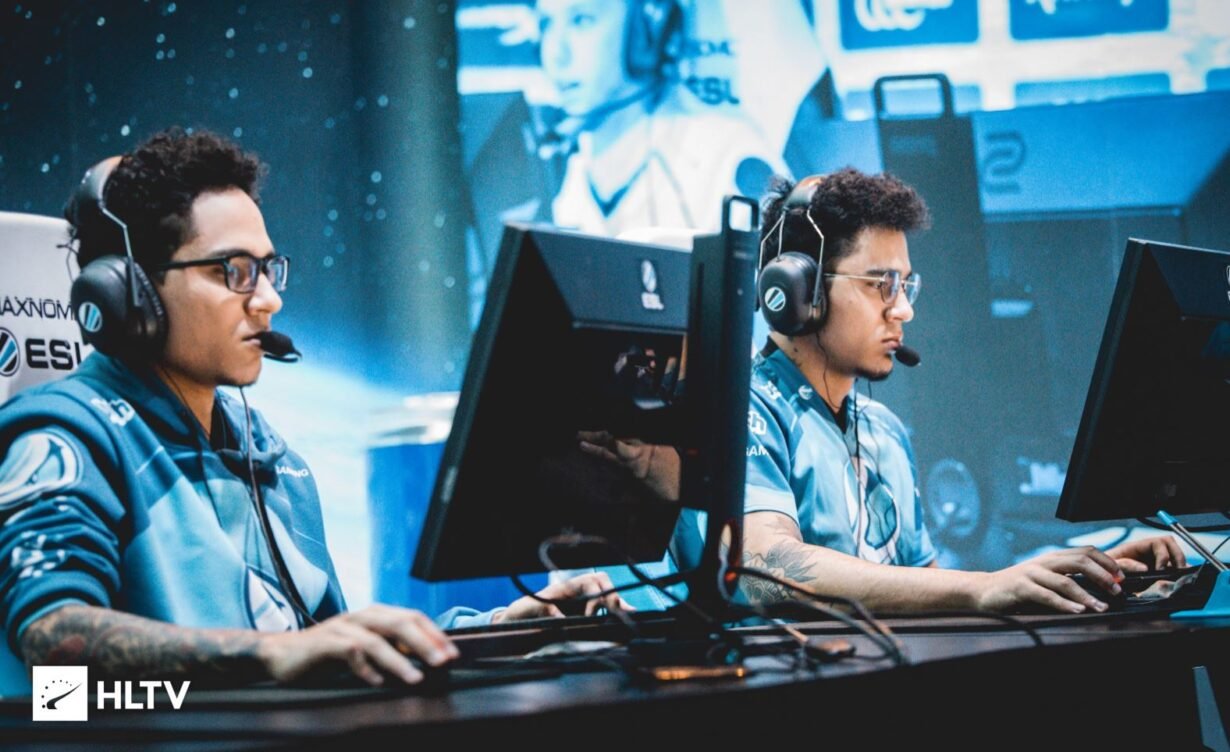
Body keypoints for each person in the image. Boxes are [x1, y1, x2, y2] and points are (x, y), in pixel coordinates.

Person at [0, 128, 624, 696]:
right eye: (234, 271)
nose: (268, 300)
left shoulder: (269, 458)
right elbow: (52, 649)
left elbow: (323, 650)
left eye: (267, 269)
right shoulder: (67, 437)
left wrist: (505, 628)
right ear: (132, 292)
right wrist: (270, 657)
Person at [582, 168, 1187, 614]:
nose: (903, 310)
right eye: (881, 284)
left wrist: (1081, 575)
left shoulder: (884, 434)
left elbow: (924, 589)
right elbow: (765, 567)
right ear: (798, 291)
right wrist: (982, 589)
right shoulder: (741, 411)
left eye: (906, 285)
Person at [534, 0, 784, 237]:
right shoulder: (566, 178)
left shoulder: (727, 158)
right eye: (546, 25)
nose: (555, 54)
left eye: (581, 20)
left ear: (649, 30)